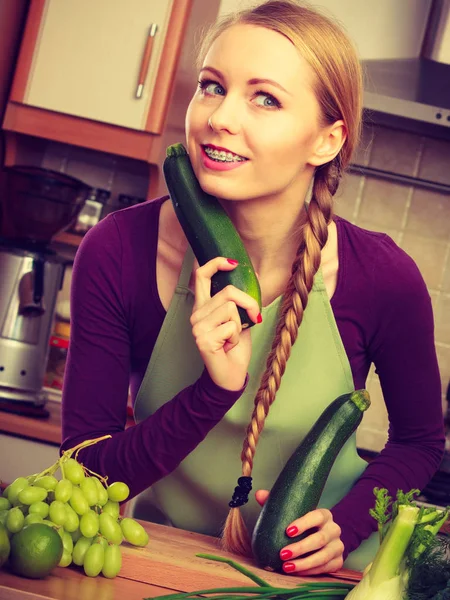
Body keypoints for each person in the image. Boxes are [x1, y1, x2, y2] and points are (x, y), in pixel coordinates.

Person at [61, 0, 445, 576]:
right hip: (151, 561)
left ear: (326, 140)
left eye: (265, 98)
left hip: (315, 577)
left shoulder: (384, 277)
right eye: (212, 86)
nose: (219, 116)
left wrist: (347, 525)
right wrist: (214, 392)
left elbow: (419, 442)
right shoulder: (119, 250)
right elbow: (84, 474)